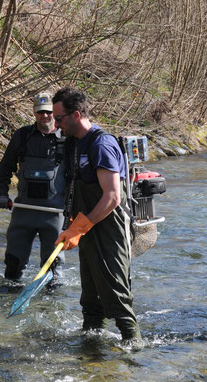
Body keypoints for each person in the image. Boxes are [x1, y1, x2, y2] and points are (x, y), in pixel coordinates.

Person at [51, 87, 141, 343]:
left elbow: (113, 197)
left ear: (76, 114)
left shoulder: (101, 144)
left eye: (59, 118)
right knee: (90, 296)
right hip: (86, 226)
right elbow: (73, 188)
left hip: (110, 227)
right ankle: (91, 347)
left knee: (115, 292)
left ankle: (133, 346)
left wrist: (80, 227)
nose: (56, 124)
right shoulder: (73, 143)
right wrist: (71, 225)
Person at [0, 92, 66, 283]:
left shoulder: (68, 139)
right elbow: (3, 169)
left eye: (49, 112)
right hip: (23, 212)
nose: (45, 116)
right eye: (40, 112)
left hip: (55, 214)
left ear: (55, 112)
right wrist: (2, 194)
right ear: (34, 112)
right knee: (12, 264)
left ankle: (50, 306)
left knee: (53, 269)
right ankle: (8, 298)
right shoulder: (22, 136)